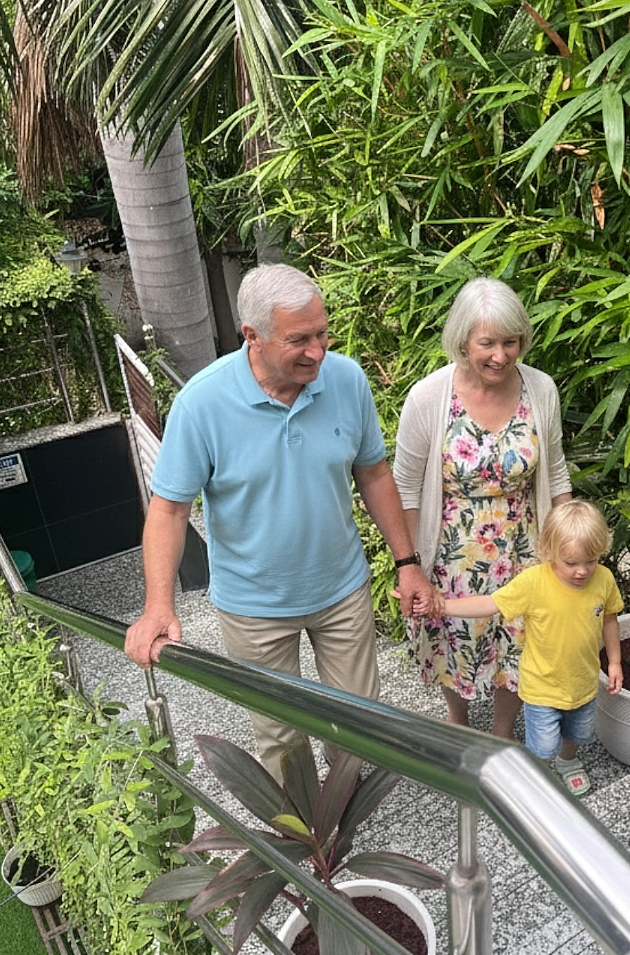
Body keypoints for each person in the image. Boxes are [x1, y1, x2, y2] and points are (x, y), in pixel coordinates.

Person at [124, 263, 433, 776]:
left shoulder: (346, 379)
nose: (318, 351)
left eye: (322, 333)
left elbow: (374, 472)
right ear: (253, 337)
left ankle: (348, 813)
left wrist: (408, 561)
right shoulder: (202, 404)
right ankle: (302, 838)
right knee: (281, 737)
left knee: (359, 724)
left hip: (342, 591)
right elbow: (170, 509)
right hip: (254, 607)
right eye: (299, 340)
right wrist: (159, 604)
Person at [393, 277, 572, 738]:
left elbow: (555, 476)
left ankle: (502, 729)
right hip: (452, 548)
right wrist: (411, 564)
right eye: (487, 343)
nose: (501, 355)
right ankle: (457, 719)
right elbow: (405, 488)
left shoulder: (541, 389)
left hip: (524, 548)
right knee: (451, 636)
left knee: (521, 641)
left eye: (510, 342)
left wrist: (567, 548)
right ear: (462, 340)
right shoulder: (429, 397)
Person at [416, 500, 623, 796]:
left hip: (583, 683)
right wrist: (443, 606)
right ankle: (539, 774)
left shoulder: (603, 579)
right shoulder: (534, 582)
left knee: (578, 733)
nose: (582, 571)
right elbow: (490, 603)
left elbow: (610, 620)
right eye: (571, 562)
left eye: (590, 561)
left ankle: (568, 762)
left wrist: (614, 662)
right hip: (541, 687)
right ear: (549, 551)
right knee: (542, 744)